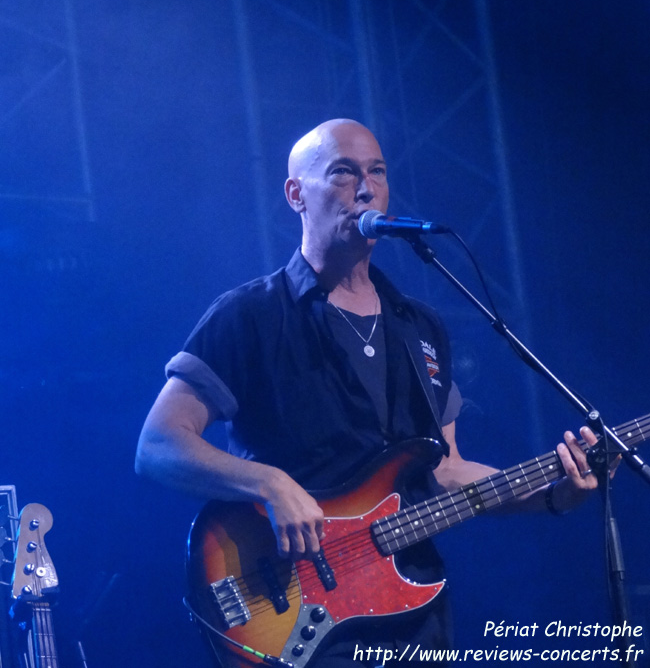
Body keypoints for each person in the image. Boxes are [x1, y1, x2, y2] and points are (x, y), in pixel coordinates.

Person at [136, 118, 600, 666]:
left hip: (412, 613)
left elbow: (447, 470)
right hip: (292, 609)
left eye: (377, 172)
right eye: (342, 173)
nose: (365, 187)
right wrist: (268, 482)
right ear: (295, 195)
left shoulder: (419, 326)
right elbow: (159, 446)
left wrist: (552, 492)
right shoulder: (251, 315)